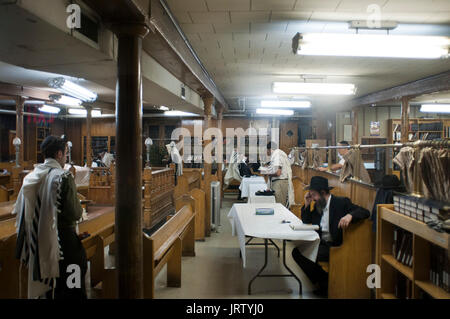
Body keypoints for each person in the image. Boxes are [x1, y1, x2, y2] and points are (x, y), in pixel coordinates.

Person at [14, 136, 87, 299]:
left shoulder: (30, 178)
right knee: (72, 284)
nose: (66, 158)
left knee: (50, 290)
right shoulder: (63, 177)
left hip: (37, 243)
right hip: (64, 245)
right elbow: (75, 213)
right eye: (66, 153)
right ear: (59, 154)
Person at [291, 176, 370, 297]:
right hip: (322, 243)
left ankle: (325, 284)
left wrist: (350, 216)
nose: (313, 199)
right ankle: (325, 281)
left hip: (336, 245)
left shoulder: (341, 203)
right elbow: (306, 221)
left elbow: (364, 211)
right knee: (297, 253)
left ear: (323, 193)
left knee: (303, 253)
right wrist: (306, 203)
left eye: (314, 195)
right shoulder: (319, 205)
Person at [265, 142, 294, 207]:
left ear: (270, 149)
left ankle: (281, 217)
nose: (266, 152)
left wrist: (267, 173)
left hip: (279, 183)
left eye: (267, 150)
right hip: (279, 182)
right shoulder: (278, 154)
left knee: (279, 205)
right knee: (279, 204)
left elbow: (278, 172)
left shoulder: (277, 155)